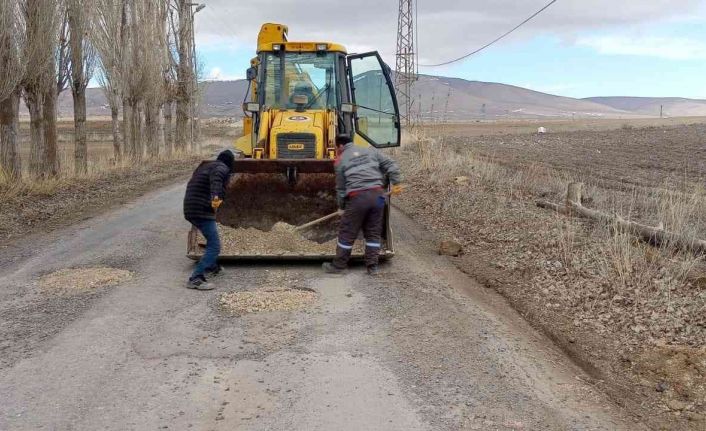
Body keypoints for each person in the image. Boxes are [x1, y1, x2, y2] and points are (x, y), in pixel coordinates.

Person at [322, 135, 402, 276]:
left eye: (336, 148)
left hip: (358, 198)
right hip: (378, 197)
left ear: (340, 146)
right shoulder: (370, 151)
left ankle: (339, 266)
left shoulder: (340, 160)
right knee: (373, 231)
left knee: (348, 231)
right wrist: (396, 183)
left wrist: (342, 206)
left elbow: (341, 189)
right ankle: (372, 267)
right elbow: (391, 165)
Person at [183, 149, 234, 290]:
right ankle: (196, 278)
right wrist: (216, 198)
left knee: (209, 238)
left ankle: (211, 265)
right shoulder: (221, 167)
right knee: (215, 245)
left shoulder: (208, 166)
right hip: (201, 210)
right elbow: (217, 179)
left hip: (191, 208)